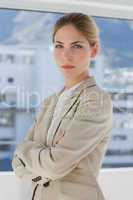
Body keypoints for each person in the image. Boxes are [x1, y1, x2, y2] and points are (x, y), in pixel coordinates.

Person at [12, 12, 113, 200]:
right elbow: (17, 164)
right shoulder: (49, 102)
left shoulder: (96, 101)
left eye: (76, 46)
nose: (66, 55)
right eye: (59, 46)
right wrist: (43, 156)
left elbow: (54, 165)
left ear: (94, 50)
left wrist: (25, 150)